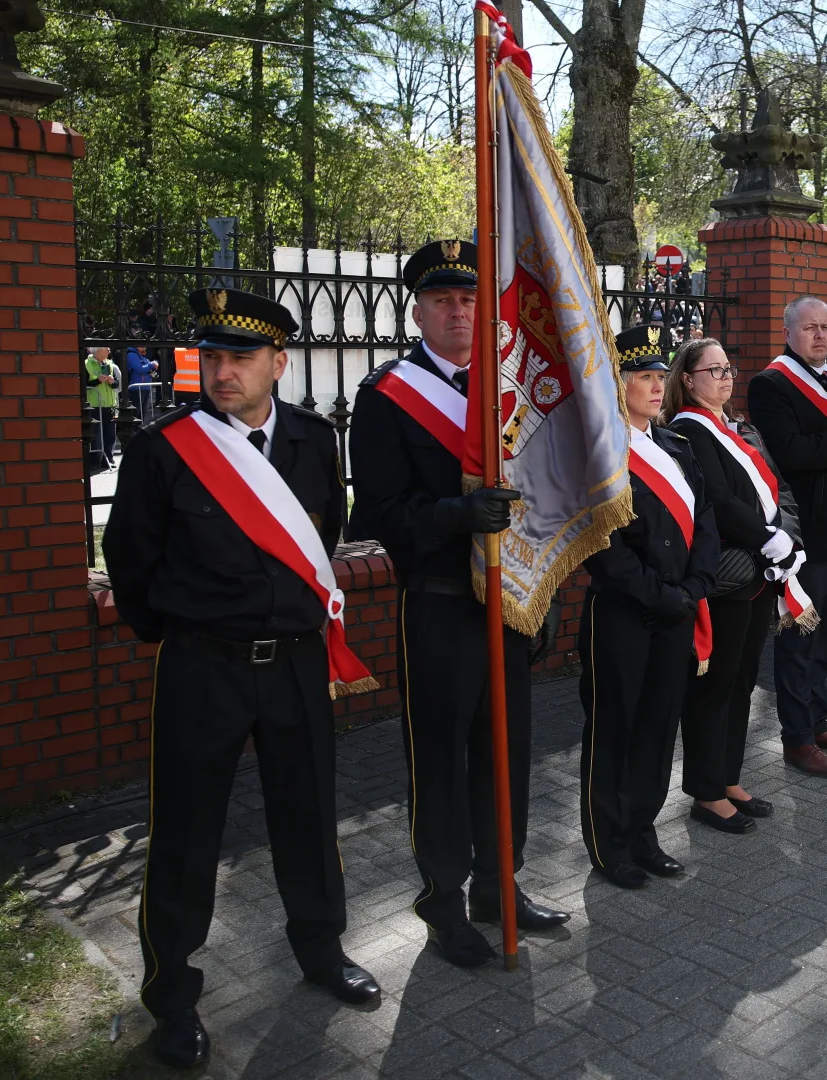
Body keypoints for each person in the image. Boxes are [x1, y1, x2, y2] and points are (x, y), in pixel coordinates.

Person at [103, 288, 380, 1070]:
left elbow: (325, 531)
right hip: (202, 667)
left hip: (294, 661)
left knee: (309, 812)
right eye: (212, 357)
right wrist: (184, 634)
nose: (222, 372)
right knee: (187, 834)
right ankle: (174, 997)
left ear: (278, 363)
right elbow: (132, 563)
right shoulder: (165, 448)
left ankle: (322, 951)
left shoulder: (314, 439)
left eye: (241, 357)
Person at [348, 240, 569, 969]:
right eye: (443, 300)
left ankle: (498, 887)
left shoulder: (507, 390)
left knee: (505, 757)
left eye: (470, 300)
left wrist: (543, 593)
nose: (458, 311)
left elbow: (544, 502)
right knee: (440, 761)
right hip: (439, 605)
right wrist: (453, 515)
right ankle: (442, 899)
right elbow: (380, 510)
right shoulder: (386, 396)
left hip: (507, 602)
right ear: (417, 309)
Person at [579, 326, 718, 886]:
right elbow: (602, 546)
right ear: (618, 384)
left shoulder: (677, 447)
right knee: (616, 729)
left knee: (659, 728)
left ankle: (643, 831)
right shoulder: (601, 452)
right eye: (644, 377)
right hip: (623, 613)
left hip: (677, 610)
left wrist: (696, 586)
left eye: (662, 377)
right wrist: (663, 595)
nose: (657, 387)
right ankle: (607, 843)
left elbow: (703, 521)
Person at [665, 337, 800, 834]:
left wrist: (789, 536)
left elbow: (777, 487)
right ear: (688, 379)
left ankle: (729, 778)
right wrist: (765, 536)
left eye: (728, 368)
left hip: (760, 571)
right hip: (727, 575)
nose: (725, 377)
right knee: (714, 685)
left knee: (742, 682)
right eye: (713, 370)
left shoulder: (737, 427)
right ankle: (705, 791)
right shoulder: (688, 431)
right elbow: (717, 500)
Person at [747, 296, 827, 779]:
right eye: (810, 328)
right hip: (806, 536)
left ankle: (817, 721)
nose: (821, 336)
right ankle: (795, 739)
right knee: (799, 639)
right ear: (789, 332)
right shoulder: (770, 384)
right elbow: (787, 452)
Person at [84, 346, 122, 471]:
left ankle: (108, 459)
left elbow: (116, 384)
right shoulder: (87, 363)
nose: (109, 351)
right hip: (95, 404)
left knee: (110, 434)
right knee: (96, 435)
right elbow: (84, 384)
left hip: (110, 404)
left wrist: (112, 382)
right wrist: (97, 381)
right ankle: (96, 460)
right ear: (99, 350)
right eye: (107, 349)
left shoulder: (109, 364)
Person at [126, 345, 158, 422]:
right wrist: (151, 365)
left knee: (142, 413)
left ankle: (138, 430)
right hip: (137, 388)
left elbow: (147, 366)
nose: (145, 346)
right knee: (136, 412)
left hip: (145, 386)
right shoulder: (131, 355)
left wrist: (154, 364)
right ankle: (133, 430)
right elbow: (139, 369)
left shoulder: (142, 355)